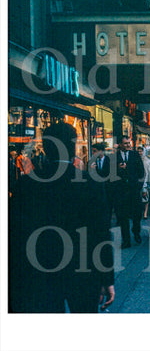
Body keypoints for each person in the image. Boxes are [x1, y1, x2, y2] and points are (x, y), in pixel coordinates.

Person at [9, 122, 114, 312]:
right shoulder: (91, 184)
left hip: (39, 272)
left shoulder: (26, 185)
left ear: (46, 148)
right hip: (83, 270)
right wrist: (106, 278)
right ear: (73, 147)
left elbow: (14, 235)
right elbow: (101, 234)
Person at [113, 136, 145, 248]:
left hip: (134, 191)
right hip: (121, 193)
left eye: (129, 143)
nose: (128, 145)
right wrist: (118, 169)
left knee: (137, 215)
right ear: (120, 145)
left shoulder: (135, 155)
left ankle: (136, 232)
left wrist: (139, 187)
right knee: (123, 218)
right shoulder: (114, 157)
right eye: (125, 143)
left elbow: (141, 172)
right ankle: (126, 240)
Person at [90, 142, 112, 223]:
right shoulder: (91, 162)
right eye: (92, 151)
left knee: (108, 210)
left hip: (108, 190)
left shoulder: (110, 160)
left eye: (95, 151)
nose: (93, 153)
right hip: (97, 192)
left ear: (101, 151)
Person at [138, 146, 150, 220]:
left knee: (145, 197)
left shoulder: (147, 161)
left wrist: (147, 182)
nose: (140, 153)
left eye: (141, 151)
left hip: (145, 182)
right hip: (138, 182)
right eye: (138, 151)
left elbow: (148, 173)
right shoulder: (136, 160)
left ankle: (145, 212)